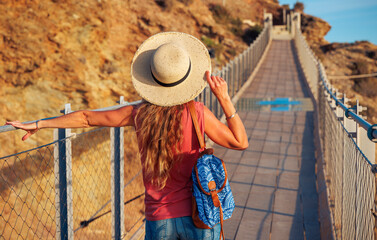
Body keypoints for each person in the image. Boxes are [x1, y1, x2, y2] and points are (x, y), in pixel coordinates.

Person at [6, 32, 248, 240]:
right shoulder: (197, 112)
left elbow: (86, 117)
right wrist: (224, 99)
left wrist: (38, 124)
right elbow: (240, 142)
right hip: (199, 215)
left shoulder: (139, 114)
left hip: (159, 219)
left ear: (153, 79)